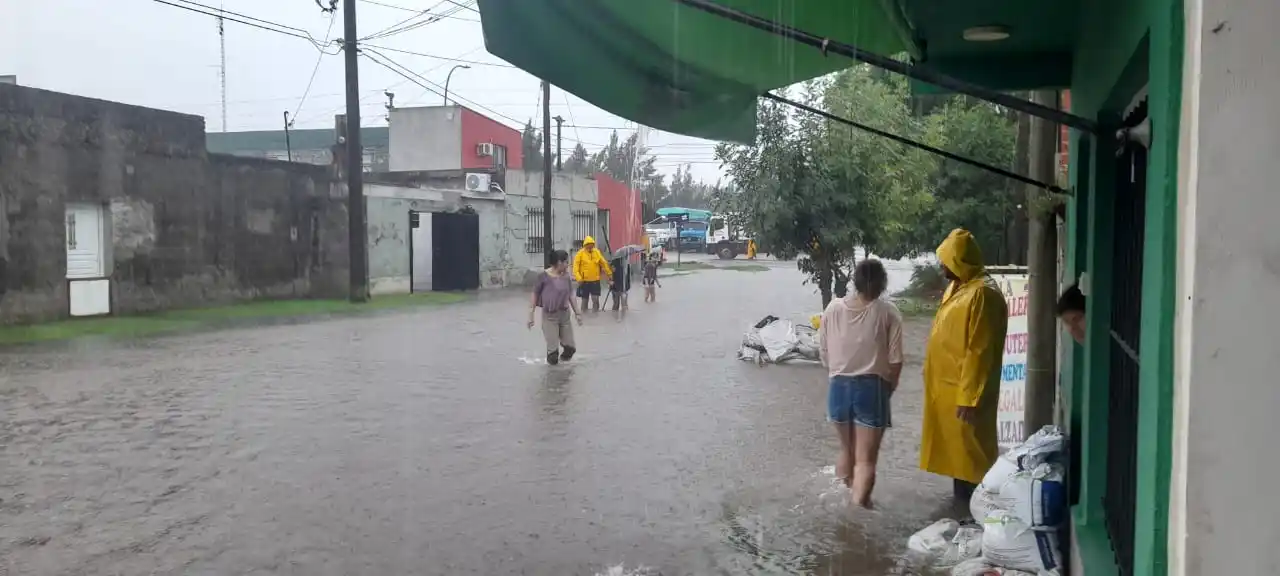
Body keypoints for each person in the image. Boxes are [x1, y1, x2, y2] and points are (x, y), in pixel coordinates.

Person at [920, 228, 1009, 502]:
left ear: (960, 261)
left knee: (973, 456)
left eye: (947, 260)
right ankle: (962, 512)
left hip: (966, 394)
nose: (942, 266)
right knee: (959, 455)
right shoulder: (960, 287)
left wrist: (970, 397)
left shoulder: (982, 294)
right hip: (948, 390)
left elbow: (979, 350)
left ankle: (978, 514)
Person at [819, 259, 904, 508]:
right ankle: (857, 515)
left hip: (837, 387)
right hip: (872, 387)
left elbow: (823, 352)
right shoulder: (888, 313)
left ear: (854, 282)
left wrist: (839, 372)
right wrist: (888, 390)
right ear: (883, 284)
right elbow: (896, 361)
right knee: (865, 460)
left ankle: (847, 502)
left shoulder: (833, 308)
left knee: (847, 451)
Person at [529, 249, 583, 365]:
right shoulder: (543, 276)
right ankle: (551, 376)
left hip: (564, 316)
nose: (568, 264)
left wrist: (578, 313)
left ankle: (563, 370)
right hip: (549, 317)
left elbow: (571, 295)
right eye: (566, 262)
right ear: (559, 263)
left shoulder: (566, 277)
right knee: (553, 355)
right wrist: (531, 315)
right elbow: (535, 294)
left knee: (570, 349)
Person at [573, 236, 612, 312]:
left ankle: (595, 316)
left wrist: (609, 274)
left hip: (595, 281)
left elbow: (604, 263)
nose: (590, 248)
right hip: (584, 281)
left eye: (592, 246)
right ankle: (584, 316)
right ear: (585, 245)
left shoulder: (597, 252)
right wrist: (579, 278)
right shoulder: (580, 254)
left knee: (595, 299)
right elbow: (575, 268)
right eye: (588, 246)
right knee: (584, 301)